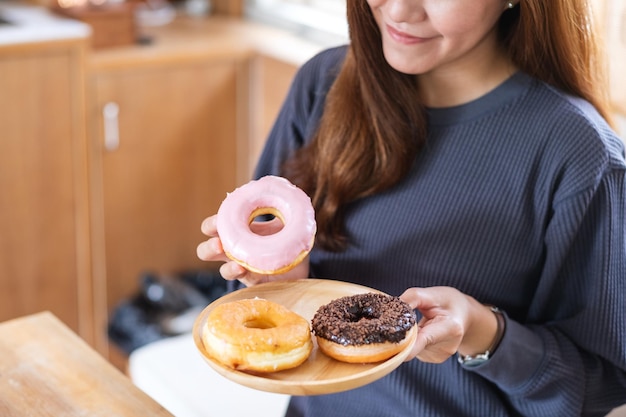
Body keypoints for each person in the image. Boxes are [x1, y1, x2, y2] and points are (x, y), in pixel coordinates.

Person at [197, 0, 626, 415]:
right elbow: (267, 328)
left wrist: (483, 333)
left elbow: (601, 386)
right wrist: (284, 284)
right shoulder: (323, 83)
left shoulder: (579, 155)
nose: (400, 9)